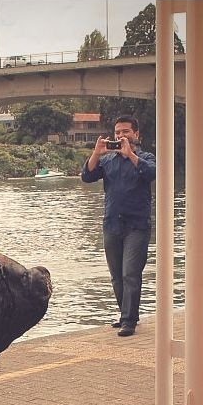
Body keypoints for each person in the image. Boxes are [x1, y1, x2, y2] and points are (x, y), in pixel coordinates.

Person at [81, 115, 156, 337]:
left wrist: (130, 154)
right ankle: (125, 314)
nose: (121, 135)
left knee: (130, 273)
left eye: (125, 132)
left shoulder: (145, 156)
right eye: (118, 132)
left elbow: (153, 173)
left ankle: (129, 320)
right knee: (116, 275)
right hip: (112, 223)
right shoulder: (108, 159)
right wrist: (96, 152)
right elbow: (87, 176)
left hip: (137, 225)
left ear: (136, 134)